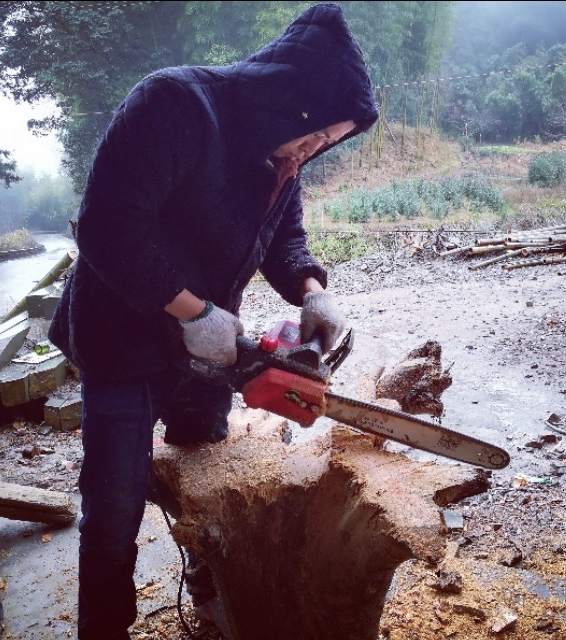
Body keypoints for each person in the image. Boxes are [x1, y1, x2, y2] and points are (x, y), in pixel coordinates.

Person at [47, 3, 378, 639]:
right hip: (123, 342)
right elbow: (108, 229)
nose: (310, 152)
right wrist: (193, 311)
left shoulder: (281, 162)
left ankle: (212, 603)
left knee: (209, 482)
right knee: (114, 514)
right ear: (289, 102)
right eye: (312, 136)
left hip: (205, 348)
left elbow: (285, 240)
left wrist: (312, 292)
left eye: (326, 145)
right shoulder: (175, 105)